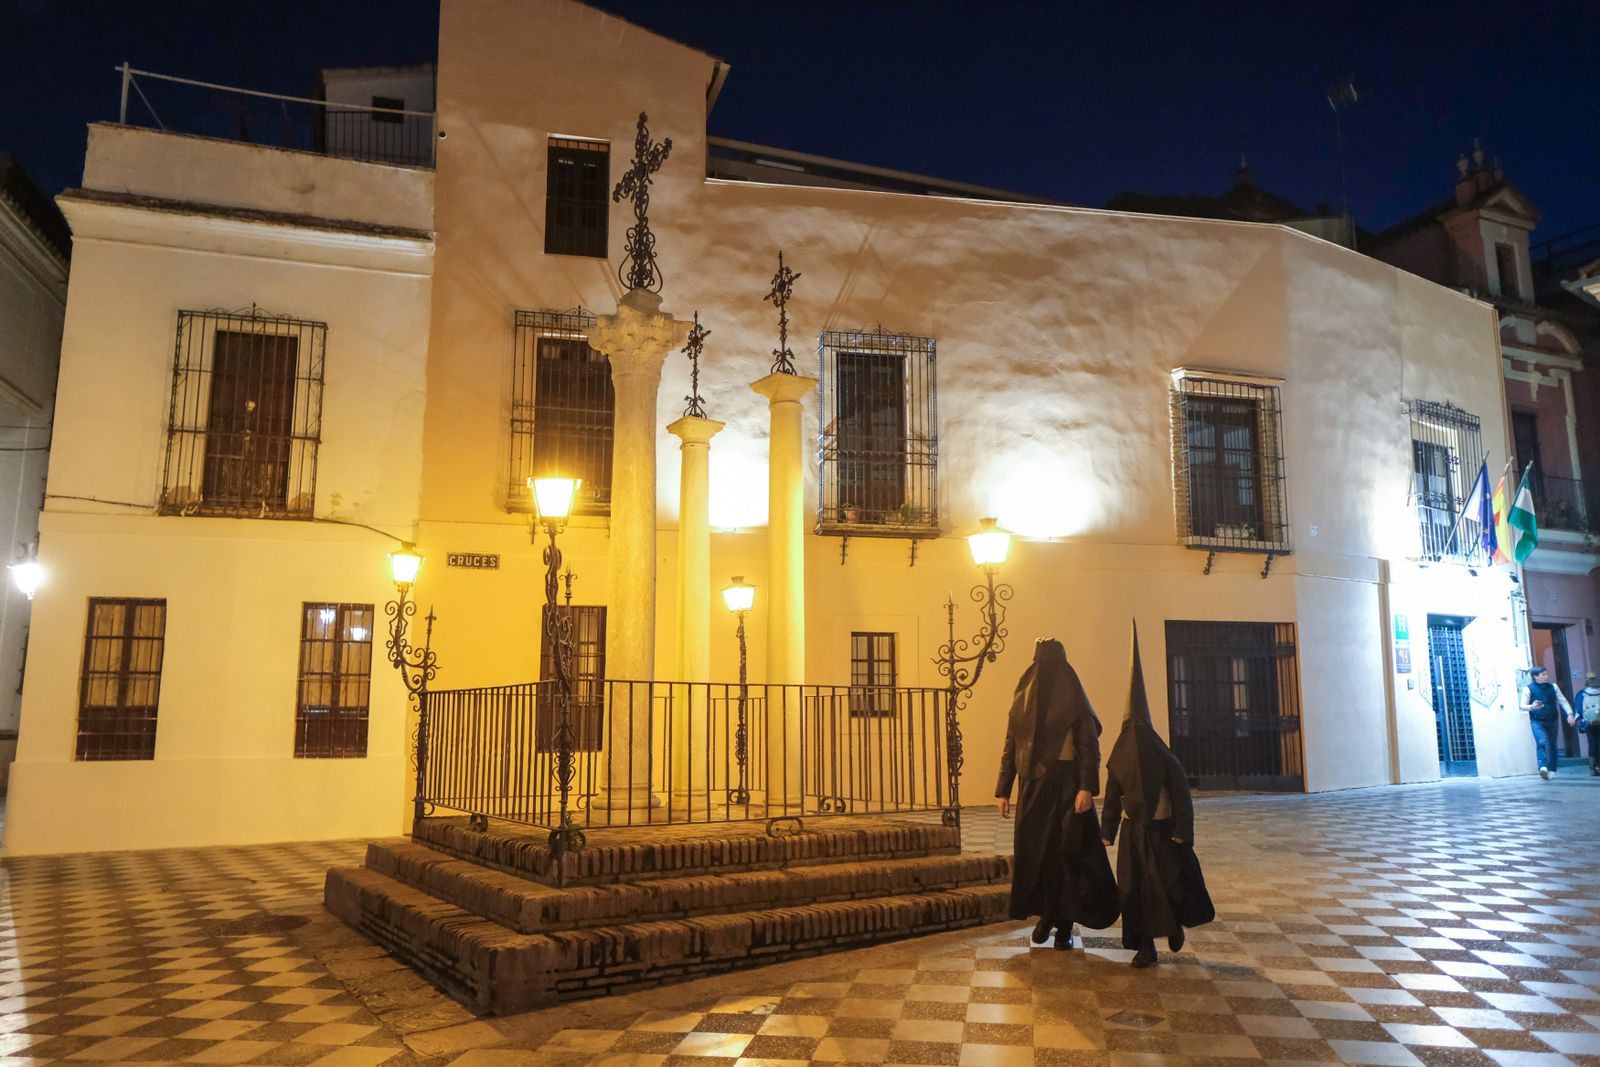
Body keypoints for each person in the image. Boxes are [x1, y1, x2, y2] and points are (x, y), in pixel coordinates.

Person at [1101, 623, 1214, 968]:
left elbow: (1181, 797)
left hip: (1164, 833)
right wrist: (1107, 833)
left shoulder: (1165, 759)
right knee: (1134, 890)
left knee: (1169, 885)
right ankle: (1145, 946)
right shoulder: (1119, 758)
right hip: (1135, 832)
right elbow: (1111, 796)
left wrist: (1182, 832)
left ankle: (1174, 924)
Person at [995, 638, 1116, 950]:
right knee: (1038, 853)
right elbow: (1012, 744)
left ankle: (1065, 923)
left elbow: (1090, 746)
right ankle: (1046, 915)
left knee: (1069, 854)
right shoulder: (1023, 699)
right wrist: (1003, 789)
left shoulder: (1074, 697)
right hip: (1033, 785)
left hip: (1068, 784)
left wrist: (1086, 787)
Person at [1521, 666, 1572, 779]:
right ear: (1535, 676)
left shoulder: (1553, 687)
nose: (1546, 676)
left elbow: (1562, 700)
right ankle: (1543, 767)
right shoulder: (1528, 688)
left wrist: (1570, 713)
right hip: (1536, 720)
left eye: (1546, 674)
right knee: (1541, 741)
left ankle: (1553, 769)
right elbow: (1522, 706)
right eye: (1543, 674)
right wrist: (1532, 706)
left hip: (1552, 719)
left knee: (1553, 744)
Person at [1575, 672, 1600, 778]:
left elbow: (1578, 709)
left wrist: (1579, 722)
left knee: (1592, 743)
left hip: (1588, 722)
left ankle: (1592, 769)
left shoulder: (1581, 693)